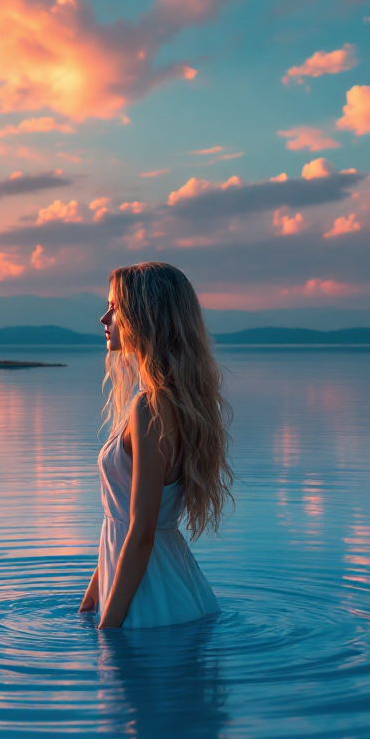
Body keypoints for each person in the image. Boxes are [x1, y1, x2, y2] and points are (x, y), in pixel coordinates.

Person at [79, 262, 233, 628]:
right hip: (169, 587)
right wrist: (86, 610)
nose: (104, 318)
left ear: (145, 317)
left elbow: (141, 533)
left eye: (114, 308)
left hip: (147, 601)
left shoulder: (149, 408)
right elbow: (122, 531)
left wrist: (107, 628)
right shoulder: (175, 403)